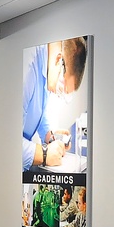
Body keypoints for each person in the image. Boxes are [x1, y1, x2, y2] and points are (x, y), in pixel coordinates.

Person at [23, 37, 88, 170]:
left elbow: (39, 109)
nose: (59, 93)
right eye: (61, 89)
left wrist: (50, 137)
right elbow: (4, 140)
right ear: (59, 60)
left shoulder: (48, 69)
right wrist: (45, 154)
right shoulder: (26, 68)